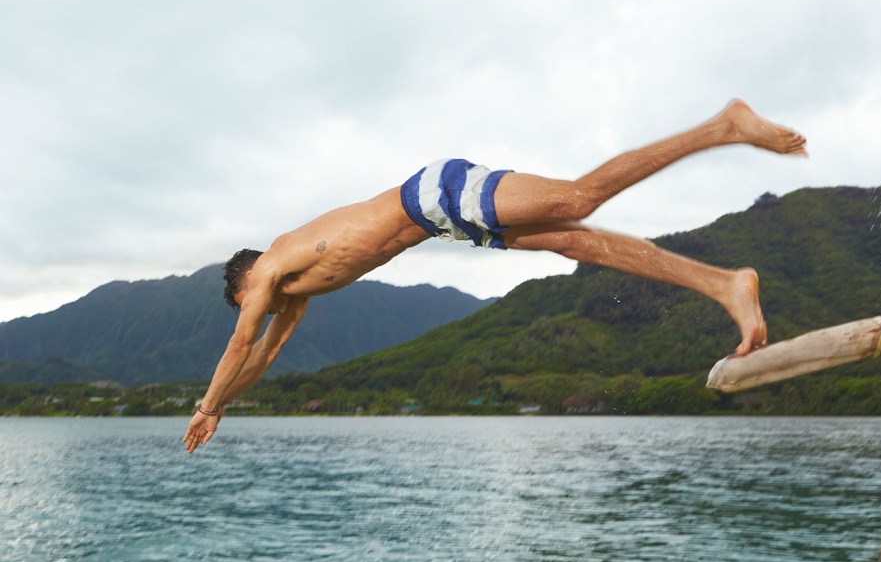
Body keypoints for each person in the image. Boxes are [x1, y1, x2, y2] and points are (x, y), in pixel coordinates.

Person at [182, 99, 806, 453]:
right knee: (576, 244)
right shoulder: (292, 294)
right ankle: (724, 284)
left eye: (246, 303)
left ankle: (725, 125)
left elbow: (241, 343)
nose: (253, 311)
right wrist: (226, 408)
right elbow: (262, 357)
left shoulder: (267, 271)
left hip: (431, 197)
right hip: (440, 221)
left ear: (244, 284)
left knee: (577, 201)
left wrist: (206, 404)